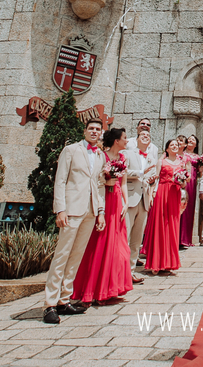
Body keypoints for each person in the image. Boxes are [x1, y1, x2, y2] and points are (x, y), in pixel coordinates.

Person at [42, 119, 106, 325]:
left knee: (76, 255)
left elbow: (99, 185)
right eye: (91, 129)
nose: (94, 132)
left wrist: (101, 212)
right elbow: (60, 180)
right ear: (85, 131)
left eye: (97, 129)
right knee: (62, 255)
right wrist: (60, 209)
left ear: (101, 132)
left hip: (90, 211)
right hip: (71, 209)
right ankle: (50, 304)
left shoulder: (100, 155)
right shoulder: (70, 150)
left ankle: (64, 299)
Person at [70, 127, 133, 305]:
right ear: (116, 141)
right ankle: (95, 290)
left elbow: (123, 182)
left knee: (119, 246)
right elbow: (96, 181)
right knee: (100, 244)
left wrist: (126, 202)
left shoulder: (123, 158)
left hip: (117, 201)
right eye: (125, 138)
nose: (127, 141)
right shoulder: (101, 156)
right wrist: (107, 182)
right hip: (104, 201)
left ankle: (111, 287)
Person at [141, 139, 188, 274]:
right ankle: (156, 262)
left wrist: (182, 182)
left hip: (175, 193)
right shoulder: (161, 162)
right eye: (171, 145)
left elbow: (185, 183)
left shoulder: (182, 163)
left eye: (176, 145)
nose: (174, 146)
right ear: (166, 149)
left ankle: (169, 262)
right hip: (162, 193)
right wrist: (151, 195)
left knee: (172, 226)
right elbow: (155, 179)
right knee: (160, 225)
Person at [122, 122, 157, 283]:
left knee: (137, 240)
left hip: (144, 200)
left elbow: (151, 176)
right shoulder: (127, 154)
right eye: (142, 135)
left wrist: (151, 181)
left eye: (148, 136)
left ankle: (130, 272)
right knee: (126, 237)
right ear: (136, 139)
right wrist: (140, 173)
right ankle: (120, 273)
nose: (145, 137)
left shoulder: (151, 158)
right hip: (130, 198)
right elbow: (123, 172)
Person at [178, 134, 203, 248]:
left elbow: (200, 174)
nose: (190, 141)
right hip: (183, 180)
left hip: (192, 183)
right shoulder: (181, 154)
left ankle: (186, 239)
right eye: (189, 140)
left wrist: (201, 169)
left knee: (189, 209)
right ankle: (178, 237)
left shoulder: (197, 157)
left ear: (196, 144)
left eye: (193, 140)